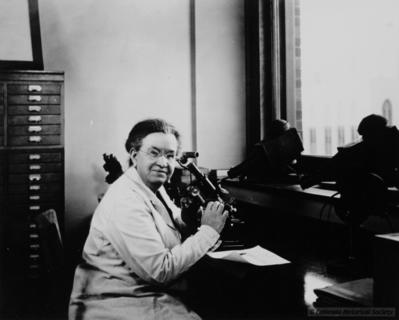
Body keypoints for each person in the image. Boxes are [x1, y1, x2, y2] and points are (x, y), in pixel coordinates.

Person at [69, 118, 228, 320]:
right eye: (154, 153)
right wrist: (208, 232)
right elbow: (160, 271)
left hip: (140, 291)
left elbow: (171, 218)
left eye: (170, 156)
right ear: (134, 155)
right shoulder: (125, 200)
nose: (163, 162)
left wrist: (190, 218)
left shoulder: (153, 185)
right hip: (116, 301)